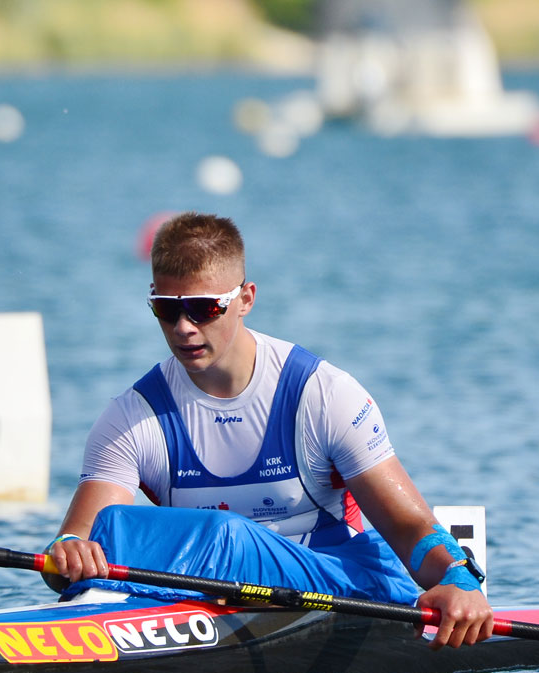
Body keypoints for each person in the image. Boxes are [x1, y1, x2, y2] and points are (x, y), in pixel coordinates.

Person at [47, 212, 494, 649]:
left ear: (246, 298)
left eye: (203, 308)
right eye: (167, 310)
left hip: (343, 580)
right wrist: (69, 553)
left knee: (225, 537)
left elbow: (409, 525)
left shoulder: (323, 395)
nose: (184, 328)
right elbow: (80, 542)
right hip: (206, 592)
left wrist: (458, 580)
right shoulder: (131, 417)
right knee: (115, 529)